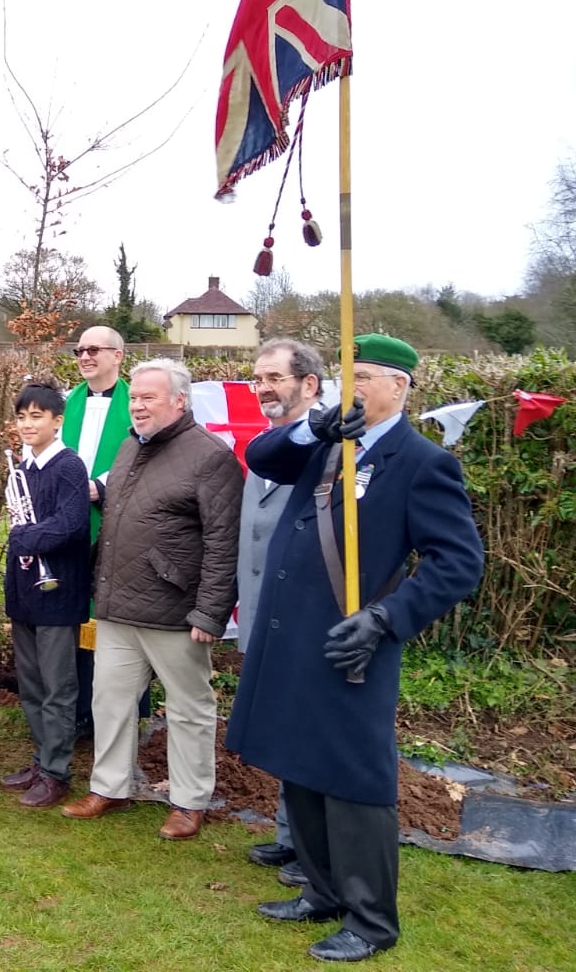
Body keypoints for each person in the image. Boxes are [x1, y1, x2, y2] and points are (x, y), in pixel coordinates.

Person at [227, 335, 484, 963]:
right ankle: (322, 891)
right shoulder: (327, 444)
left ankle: (371, 920)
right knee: (301, 766)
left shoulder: (420, 462)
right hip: (293, 638)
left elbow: (459, 562)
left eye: (367, 377)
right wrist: (312, 428)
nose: (356, 388)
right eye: (350, 377)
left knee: (354, 782)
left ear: (400, 387)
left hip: (354, 645)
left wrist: (388, 619)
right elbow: (263, 456)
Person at [62, 359, 242, 841]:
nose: (137, 407)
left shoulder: (210, 457)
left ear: (179, 401)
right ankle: (110, 787)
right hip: (118, 608)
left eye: (148, 398)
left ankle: (189, 801)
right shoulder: (127, 448)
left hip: (176, 613)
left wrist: (210, 611)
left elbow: (225, 542)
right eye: (135, 398)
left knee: (188, 709)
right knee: (111, 702)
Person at [238, 339, 325, 887]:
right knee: (283, 728)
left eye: (274, 377)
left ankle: (312, 848)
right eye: (258, 378)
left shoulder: (334, 444)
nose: (263, 387)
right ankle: (290, 835)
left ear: (310, 385)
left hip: (307, 613)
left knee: (309, 728)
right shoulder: (269, 445)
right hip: (263, 608)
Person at [0, 380, 93, 809]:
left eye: (36, 416)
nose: (27, 424)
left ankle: (57, 771)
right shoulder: (23, 468)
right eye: (21, 416)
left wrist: (26, 539)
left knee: (58, 688)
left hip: (58, 593)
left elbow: (72, 525)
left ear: (58, 421)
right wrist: (25, 542)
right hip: (26, 592)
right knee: (32, 686)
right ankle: (41, 759)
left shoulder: (69, 466)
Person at [61, 325, 134, 733]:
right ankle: (73, 711)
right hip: (69, 525)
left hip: (114, 521)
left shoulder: (135, 402)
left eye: (94, 350)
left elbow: (143, 455)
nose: (85, 357)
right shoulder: (68, 401)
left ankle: (109, 714)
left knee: (109, 622)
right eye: (80, 350)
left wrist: (101, 486)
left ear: (118, 355)